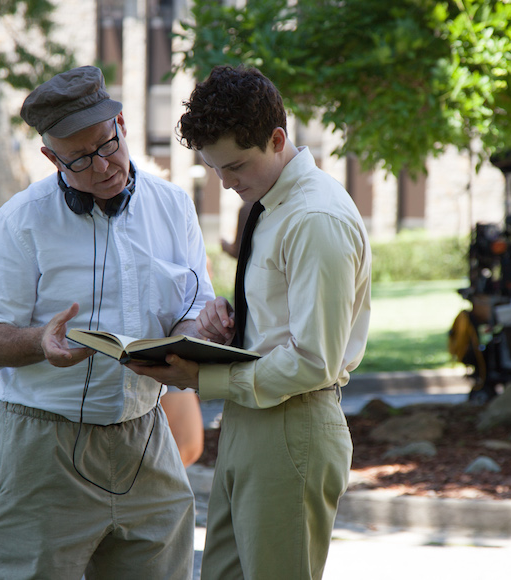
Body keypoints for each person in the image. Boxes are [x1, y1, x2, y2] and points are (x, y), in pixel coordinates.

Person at [0, 65, 212, 580]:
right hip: (44, 447)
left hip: (148, 436)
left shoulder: (174, 206)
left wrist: (194, 337)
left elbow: (194, 303)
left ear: (121, 124)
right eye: (79, 159)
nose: (102, 167)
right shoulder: (20, 219)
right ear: (51, 158)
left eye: (107, 145)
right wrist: (38, 341)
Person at [127, 64, 372, 580]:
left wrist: (203, 379)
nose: (226, 182)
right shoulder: (273, 205)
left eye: (235, 165)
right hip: (251, 417)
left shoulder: (313, 219)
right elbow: (283, 326)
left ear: (277, 138)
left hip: (294, 423)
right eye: (216, 169)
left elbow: (314, 361)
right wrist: (231, 327)